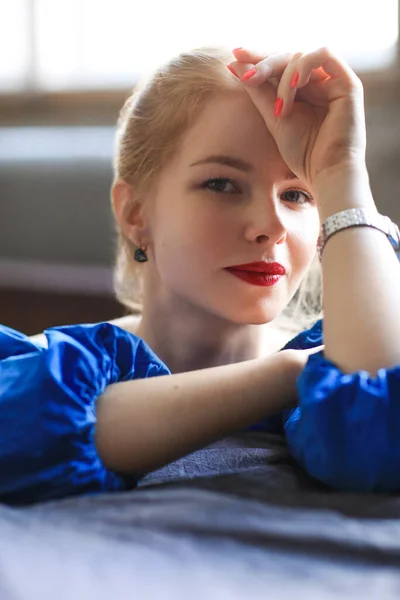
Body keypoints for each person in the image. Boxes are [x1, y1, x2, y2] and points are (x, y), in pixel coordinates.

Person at [1, 45, 400, 506]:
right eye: (222, 184)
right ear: (135, 215)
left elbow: (384, 435)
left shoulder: (349, 359)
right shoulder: (49, 372)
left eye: (297, 194)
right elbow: (18, 435)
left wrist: (340, 169)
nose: (270, 227)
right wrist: (286, 373)